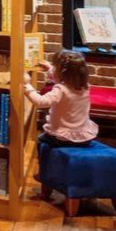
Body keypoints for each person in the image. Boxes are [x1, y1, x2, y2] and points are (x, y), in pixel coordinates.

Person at [22, 49, 99, 188]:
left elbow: (41, 101)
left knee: (41, 141)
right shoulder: (85, 87)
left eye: (55, 67)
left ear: (63, 73)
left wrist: (27, 86)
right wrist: (50, 69)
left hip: (62, 137)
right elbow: (64, 78)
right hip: (83, 136)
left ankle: (44, 173)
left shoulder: (60, 89)